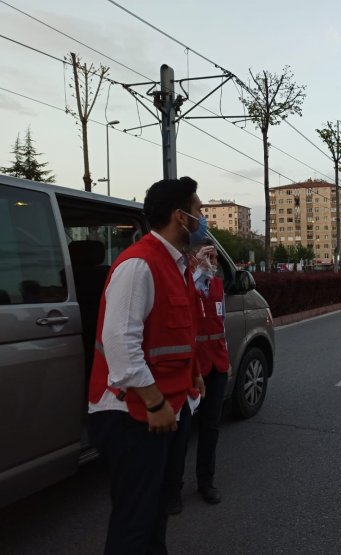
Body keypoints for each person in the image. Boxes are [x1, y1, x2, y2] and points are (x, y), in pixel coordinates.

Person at [87, 176, 207, 555]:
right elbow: (121, 345)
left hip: (168, 407)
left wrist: (194, 375)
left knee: (157, 512)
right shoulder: (138, 265)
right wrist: (155, 404)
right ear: (180, 216)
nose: (203, 218)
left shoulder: (177, 265)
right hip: (134, 413)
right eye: (199, 210)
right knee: (134, 522)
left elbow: (172, 334)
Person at [166, 242, 229, 514]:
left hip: (217, 364)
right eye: (205, 257)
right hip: (192, 368)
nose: (211, 262)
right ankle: (172, 489)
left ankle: (206, 481)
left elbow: (221, 323)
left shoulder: (217, 286)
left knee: (211, 427)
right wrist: (196, 275)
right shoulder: (185, 285)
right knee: (181, 433)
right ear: (191, 259)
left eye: (213, 258)